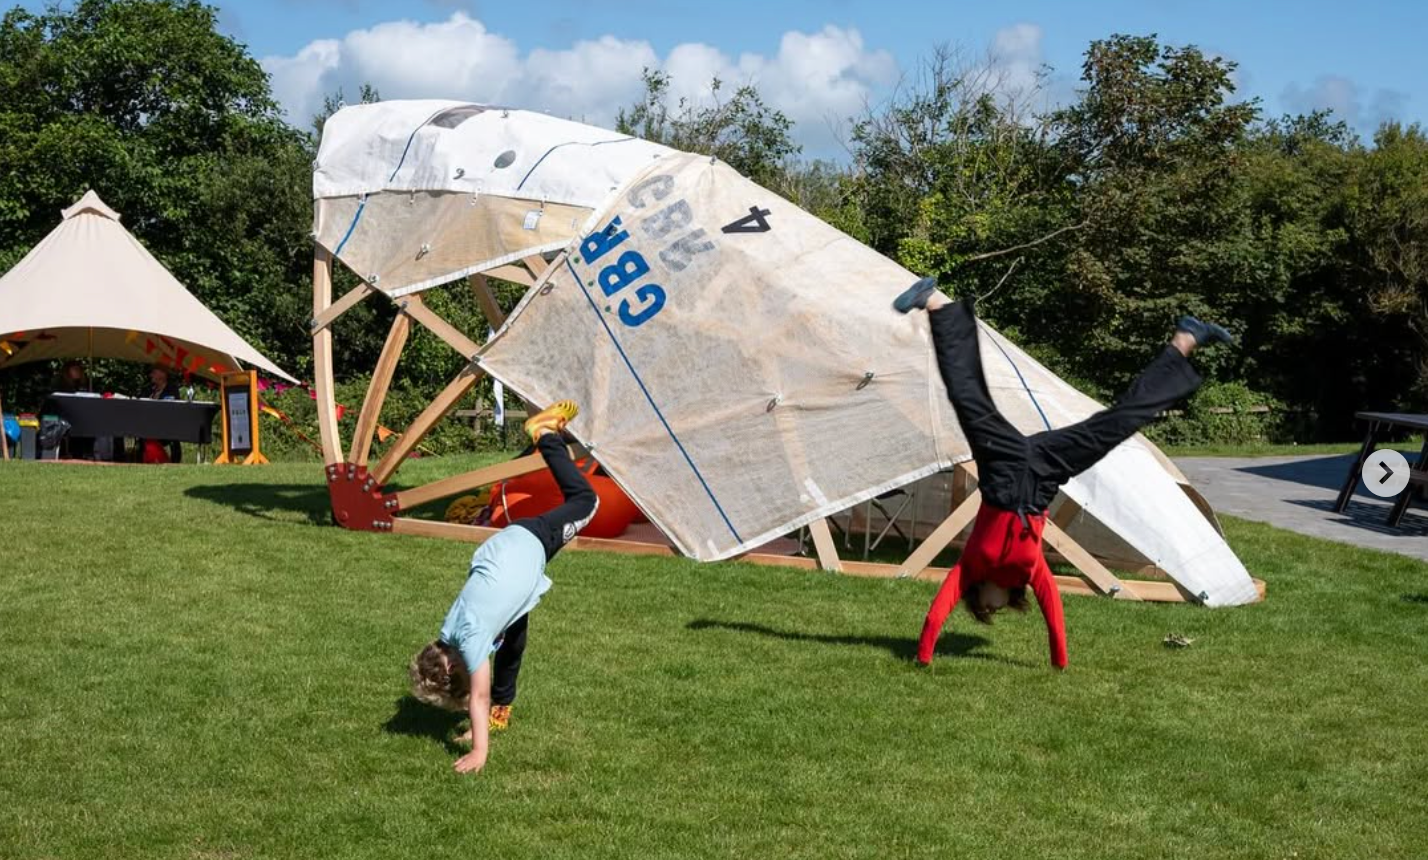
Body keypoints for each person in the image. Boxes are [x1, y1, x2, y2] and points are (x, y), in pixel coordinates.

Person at [893, 278, 1233, 669]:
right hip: (1042, 474)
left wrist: (923, 656)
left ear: (978, 594)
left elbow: (936, 613)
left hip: (1001, 470)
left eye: (985, 609)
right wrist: (1060, 662)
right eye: (995, 612)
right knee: (1119, 424)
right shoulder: (1028, 570)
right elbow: (1053, 608)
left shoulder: (972, 565)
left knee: (967, 398)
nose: (993, 609)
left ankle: (933, 301)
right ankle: (1185, 338)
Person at [409, 399, 597, 775]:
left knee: (585, 500)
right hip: (501, 551)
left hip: (529, 543)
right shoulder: (449, 632)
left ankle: (545, 433)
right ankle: (503, 710)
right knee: (514, 634)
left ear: (452, 667)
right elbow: (472, 686)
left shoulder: (471, 643)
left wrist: (480, 751)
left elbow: (477, 694)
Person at [139, 365, 181, 464]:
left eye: (154, 372)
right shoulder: (148, 389)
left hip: (166, 425)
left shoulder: (172, 389)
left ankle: (168, 460)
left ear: (163, 374)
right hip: (148, 424)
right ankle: (145, 459)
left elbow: (175, 408)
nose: (151, 375)